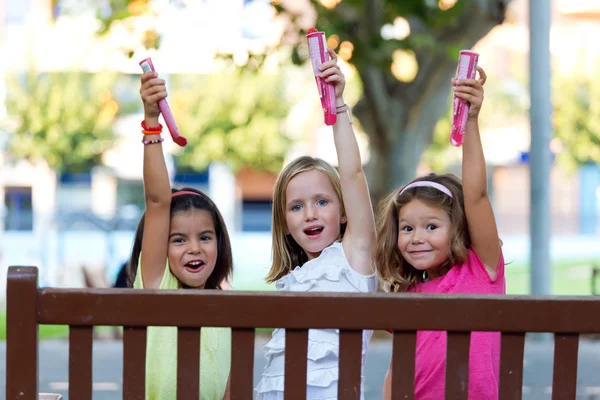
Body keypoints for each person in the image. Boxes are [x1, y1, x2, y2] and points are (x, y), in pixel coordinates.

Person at [255, 48, 377, 399]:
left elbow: (352, 175)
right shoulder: (290, 283)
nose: (310, 213)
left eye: (322, 202)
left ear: (343, 213)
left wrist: (338, 105)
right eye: (296, 207)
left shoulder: (354, 259)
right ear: (284, 223)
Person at [378, 66, 504, 400]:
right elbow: (398, 369)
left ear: (459, 229)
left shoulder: (481, 270)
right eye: (407, 228)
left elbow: (476, 196)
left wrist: (472, 120)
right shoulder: (408, 294)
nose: (416, 237)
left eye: (431, 227)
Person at [127, 70, 233, 399]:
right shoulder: (157, 285)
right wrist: (151, 123)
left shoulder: (229, 305)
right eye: (178, 240)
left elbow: (230, 384)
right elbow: (158, 202)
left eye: (204, 237)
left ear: (220, 243)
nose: (194, 249)